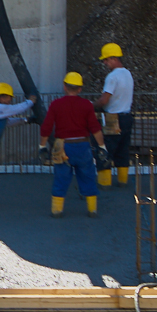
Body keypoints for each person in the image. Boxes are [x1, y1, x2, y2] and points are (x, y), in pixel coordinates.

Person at [40, 72, 105, 216]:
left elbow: (46, 127)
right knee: (88, 176)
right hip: (83, 146)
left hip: (62, 146)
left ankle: (57, 210)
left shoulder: (56, 104)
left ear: (64, 87)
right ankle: (92, 209)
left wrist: (42, 146)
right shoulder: (86, 105)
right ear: (80, 89)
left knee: (61, 177)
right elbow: (95, 128)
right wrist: (102, 147)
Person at [96, 44, 136, 189]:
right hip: (127, 116)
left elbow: (104, 100)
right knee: (123, 150)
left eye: (106, 60)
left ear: (113, 58)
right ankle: (122, 180)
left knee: (105, 149)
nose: (104, 63)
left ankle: (104, 182)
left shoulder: (112, 77)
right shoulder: (128, 74)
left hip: (113, 118)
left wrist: (90, 105)